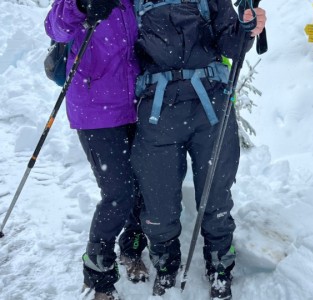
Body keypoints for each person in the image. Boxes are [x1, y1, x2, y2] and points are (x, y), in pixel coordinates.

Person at [130, 1, 267, 299]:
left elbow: (233, 45)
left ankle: (220, 265)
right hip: (157, 109)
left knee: (216, 195)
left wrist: (248, 27)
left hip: (210, 106)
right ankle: (166, 265)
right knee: (159, 200)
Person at [45, 0, 149, 299]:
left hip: (138, 105)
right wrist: (81, 5)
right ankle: (98, 273)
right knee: (119, 192)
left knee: (142, 185)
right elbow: (55, 27)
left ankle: (131, 249)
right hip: (96, 110)